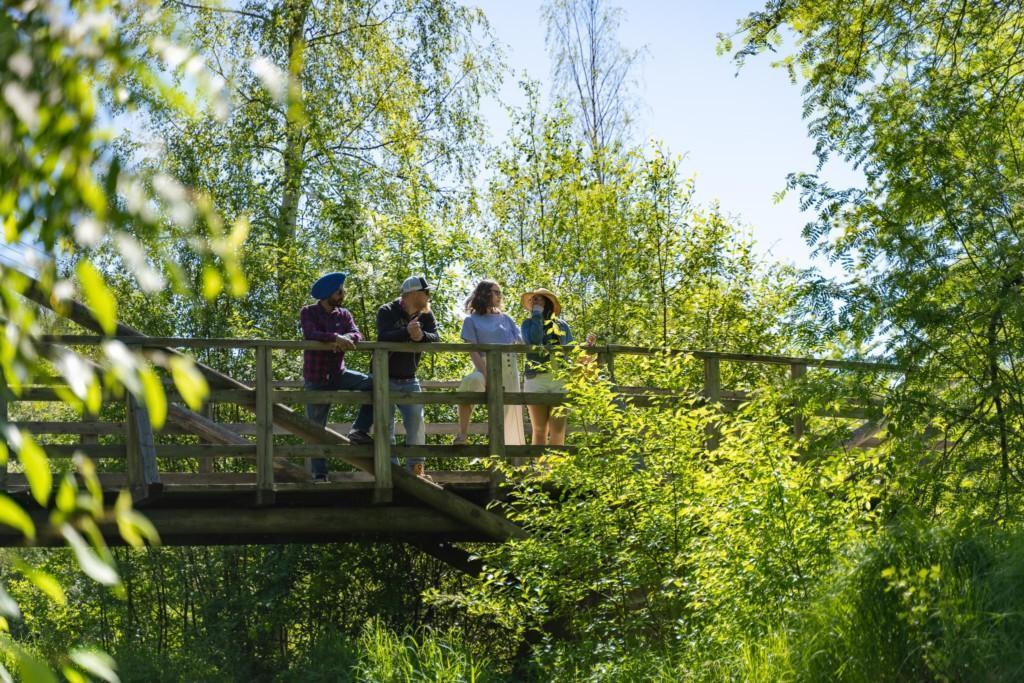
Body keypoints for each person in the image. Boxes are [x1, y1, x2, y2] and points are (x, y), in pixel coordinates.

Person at [300, 271, 374, 482]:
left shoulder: (344, 314)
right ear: (327, 293)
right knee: (316, 428)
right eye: (339, 291)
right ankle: (320, 475)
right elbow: (310, 334)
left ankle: (359, 430)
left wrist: (348, 338)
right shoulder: (308, 312)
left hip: (338, 373)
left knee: (374, 384)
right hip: (315, 377)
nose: (343, 294)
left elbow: (357, 333)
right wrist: (336, 338)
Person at [376, 275, 438, 479]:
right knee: (385, 427)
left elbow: (435, 338)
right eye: (425, 292)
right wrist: (407, 332)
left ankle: (416, 471)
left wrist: (421, 337)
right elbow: (383, 336)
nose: (428, 296)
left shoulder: (426, 314)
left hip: (410, 379)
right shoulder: (387, 311)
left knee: (417, 425)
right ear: (412, 294)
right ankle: (391, 472)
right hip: (384, 379)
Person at [453, 279, 526, 447]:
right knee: (470, 383)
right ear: (485, 293)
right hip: (485, 366)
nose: (499, 296)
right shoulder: (471, 320)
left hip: (509, 367)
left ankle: (513, 466)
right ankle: (462, 434)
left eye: (500, 292)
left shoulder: (506, 318)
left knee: (509, 416)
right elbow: (472, 350)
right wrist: (487, 374)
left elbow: (521, 343)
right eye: (496, 292)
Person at [519, 287, 596, 446]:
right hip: (536, 380)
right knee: (540, 429)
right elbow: (534, 340)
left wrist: (587, 345)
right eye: (532, 299)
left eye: (538, 299)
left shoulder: (561, 325)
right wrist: (537, 316)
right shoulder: (527, 324)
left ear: (547, 302)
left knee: (558, 429)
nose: (534, 301)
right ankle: (539, 470)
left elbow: (572, 350)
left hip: (560, 380)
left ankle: (555, 470)